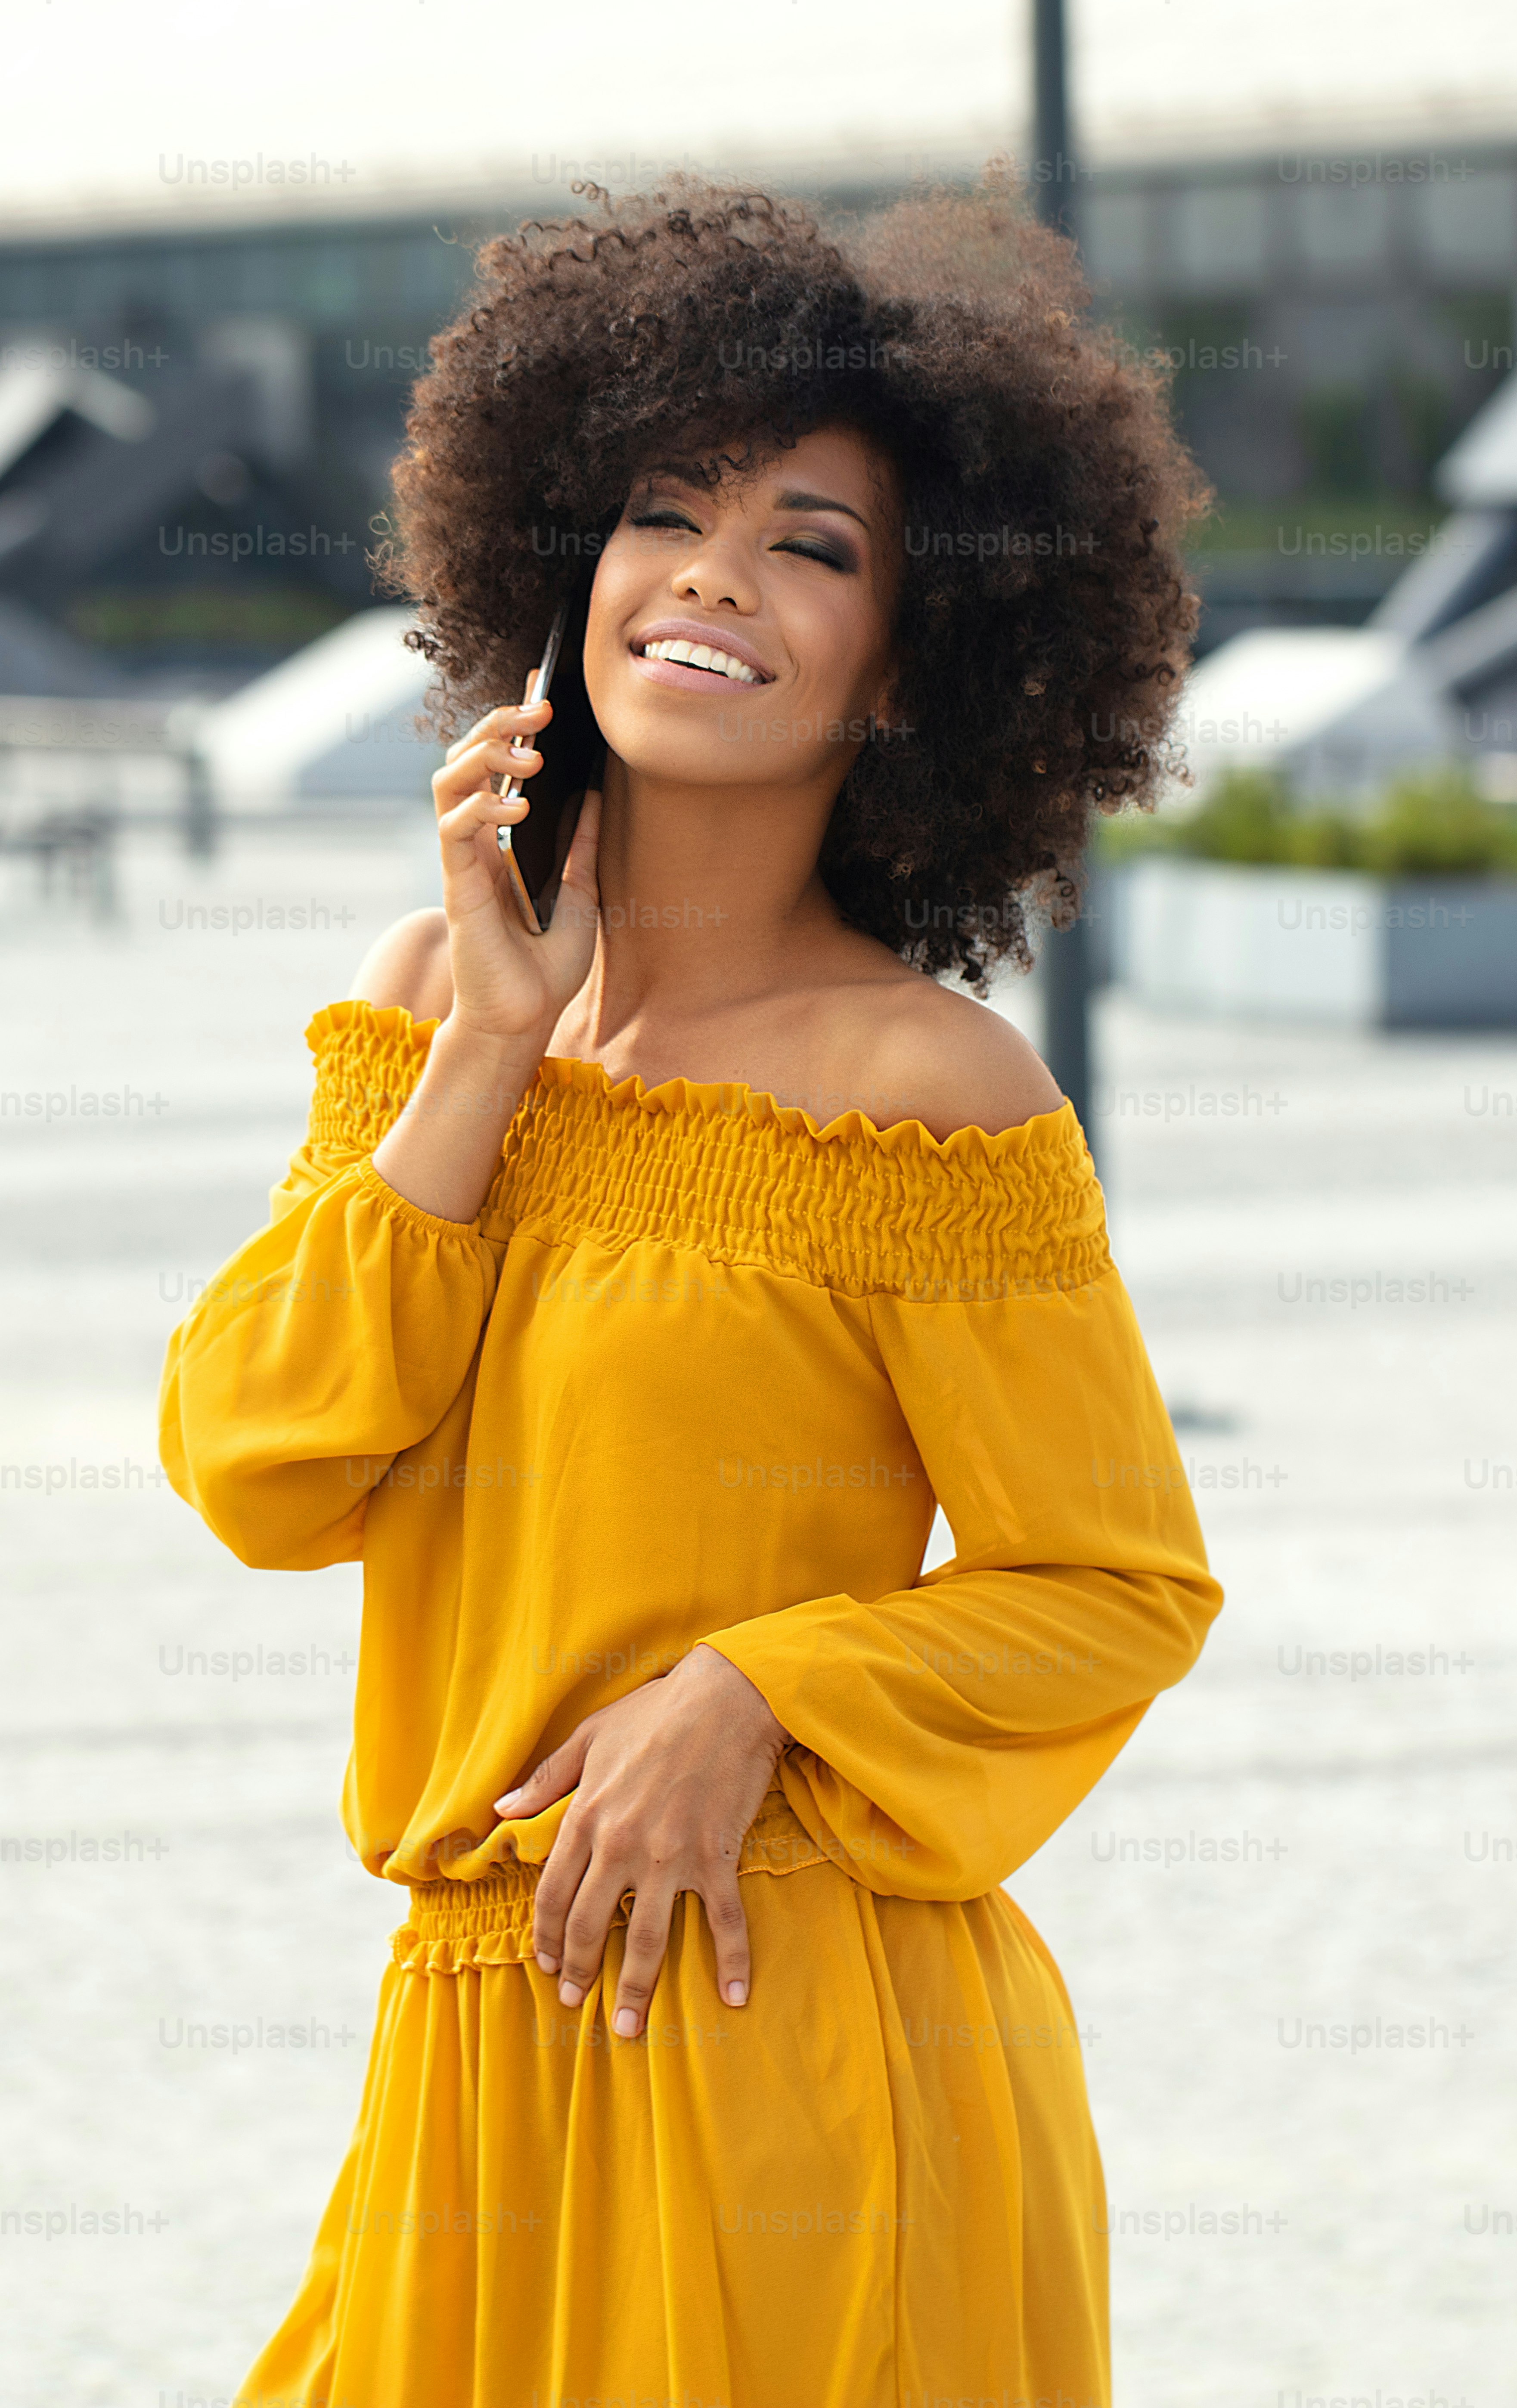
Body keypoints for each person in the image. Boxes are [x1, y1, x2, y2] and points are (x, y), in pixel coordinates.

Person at [158, 175, 1223, 2406]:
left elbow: (1114, 1583)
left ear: (910, 661)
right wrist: (485, 1049)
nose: (719, 574)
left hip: (798, 2052)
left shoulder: (924, 1094)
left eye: (813, 544)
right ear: (565, 571)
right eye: (668, 511)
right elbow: (263, 1465)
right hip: (473, 2066)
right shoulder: (432, 1012)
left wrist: (757, 1689)